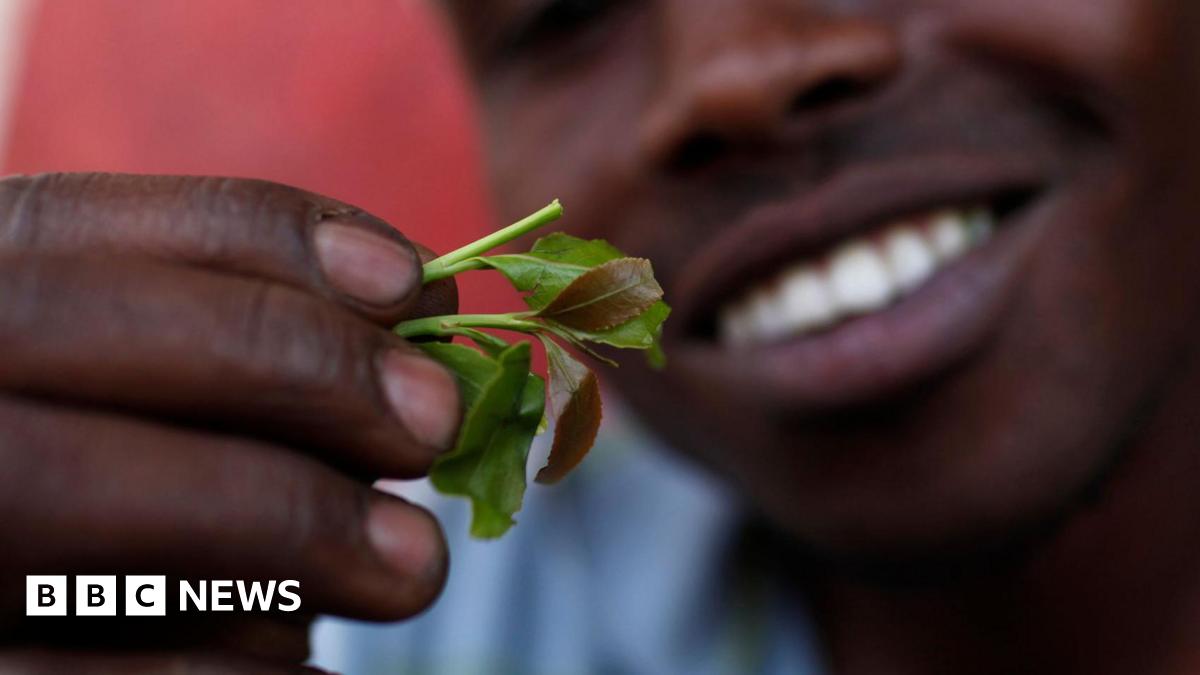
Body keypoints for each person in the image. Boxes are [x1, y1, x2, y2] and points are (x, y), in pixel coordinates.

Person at [4, 0, 1200, 673]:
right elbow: (92, 605)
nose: (733, 75)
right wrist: (68, 604)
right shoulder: (359, 611)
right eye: (560, 12)